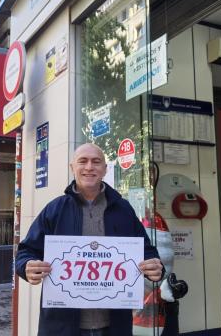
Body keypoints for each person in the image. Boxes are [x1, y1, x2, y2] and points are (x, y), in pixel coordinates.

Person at [15, 143, 164, 336]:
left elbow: (147, 251)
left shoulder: (123, 209)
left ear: (105, 169)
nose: (89, 167)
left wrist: (156, 267)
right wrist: (27, 266)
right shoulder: (55, 209)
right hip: (63, 327)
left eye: (96, 162)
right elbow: (25, 252)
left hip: (114, 327)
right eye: (82, 161)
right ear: (72, 168)